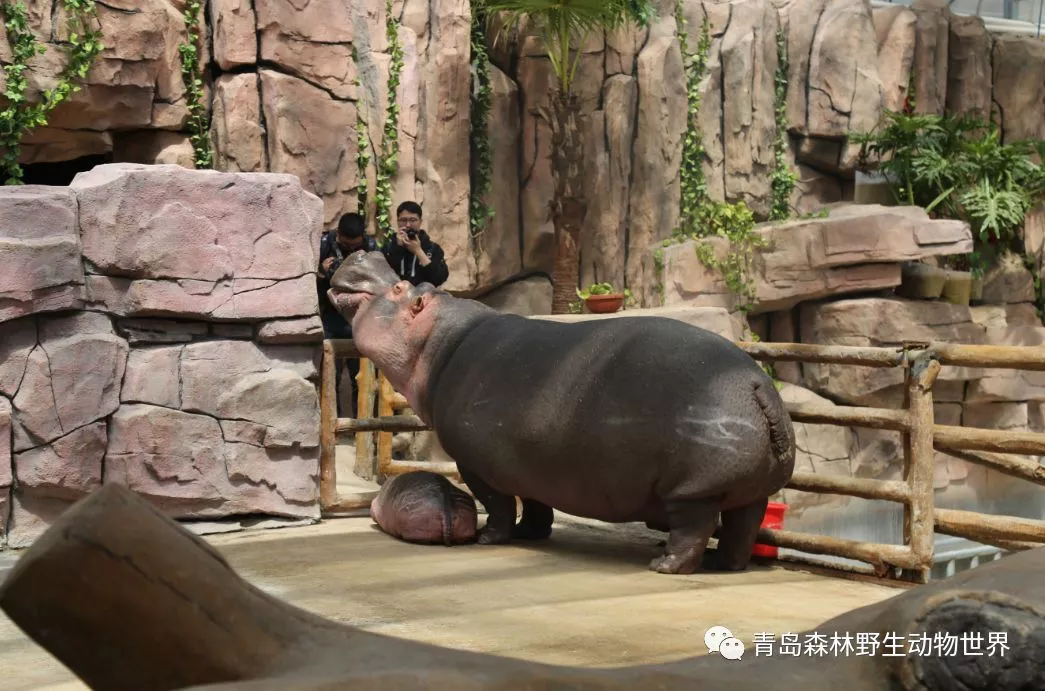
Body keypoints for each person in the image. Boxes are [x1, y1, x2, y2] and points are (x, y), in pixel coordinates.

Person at [317, 212, 377, 418]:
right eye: (346, 245)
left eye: (355, 246)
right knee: (329, 378)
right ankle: (331, 425)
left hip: (360, 320)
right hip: (331, 318)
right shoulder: (324, 245)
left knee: (361, 378)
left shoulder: (371, 247)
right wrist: (321, 271)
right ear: (338, 235)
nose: (351, 249)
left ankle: (362, 426)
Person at [381, 201, 450, 287]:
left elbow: (438, 279)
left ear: (420, 221)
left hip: (423, 295)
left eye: (413, 220)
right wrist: (398, 248)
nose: (408, 225)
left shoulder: (432, 248)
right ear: (397, 221)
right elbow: (382, 275)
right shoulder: (388, 247)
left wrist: (418, 251)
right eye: (403, 220)